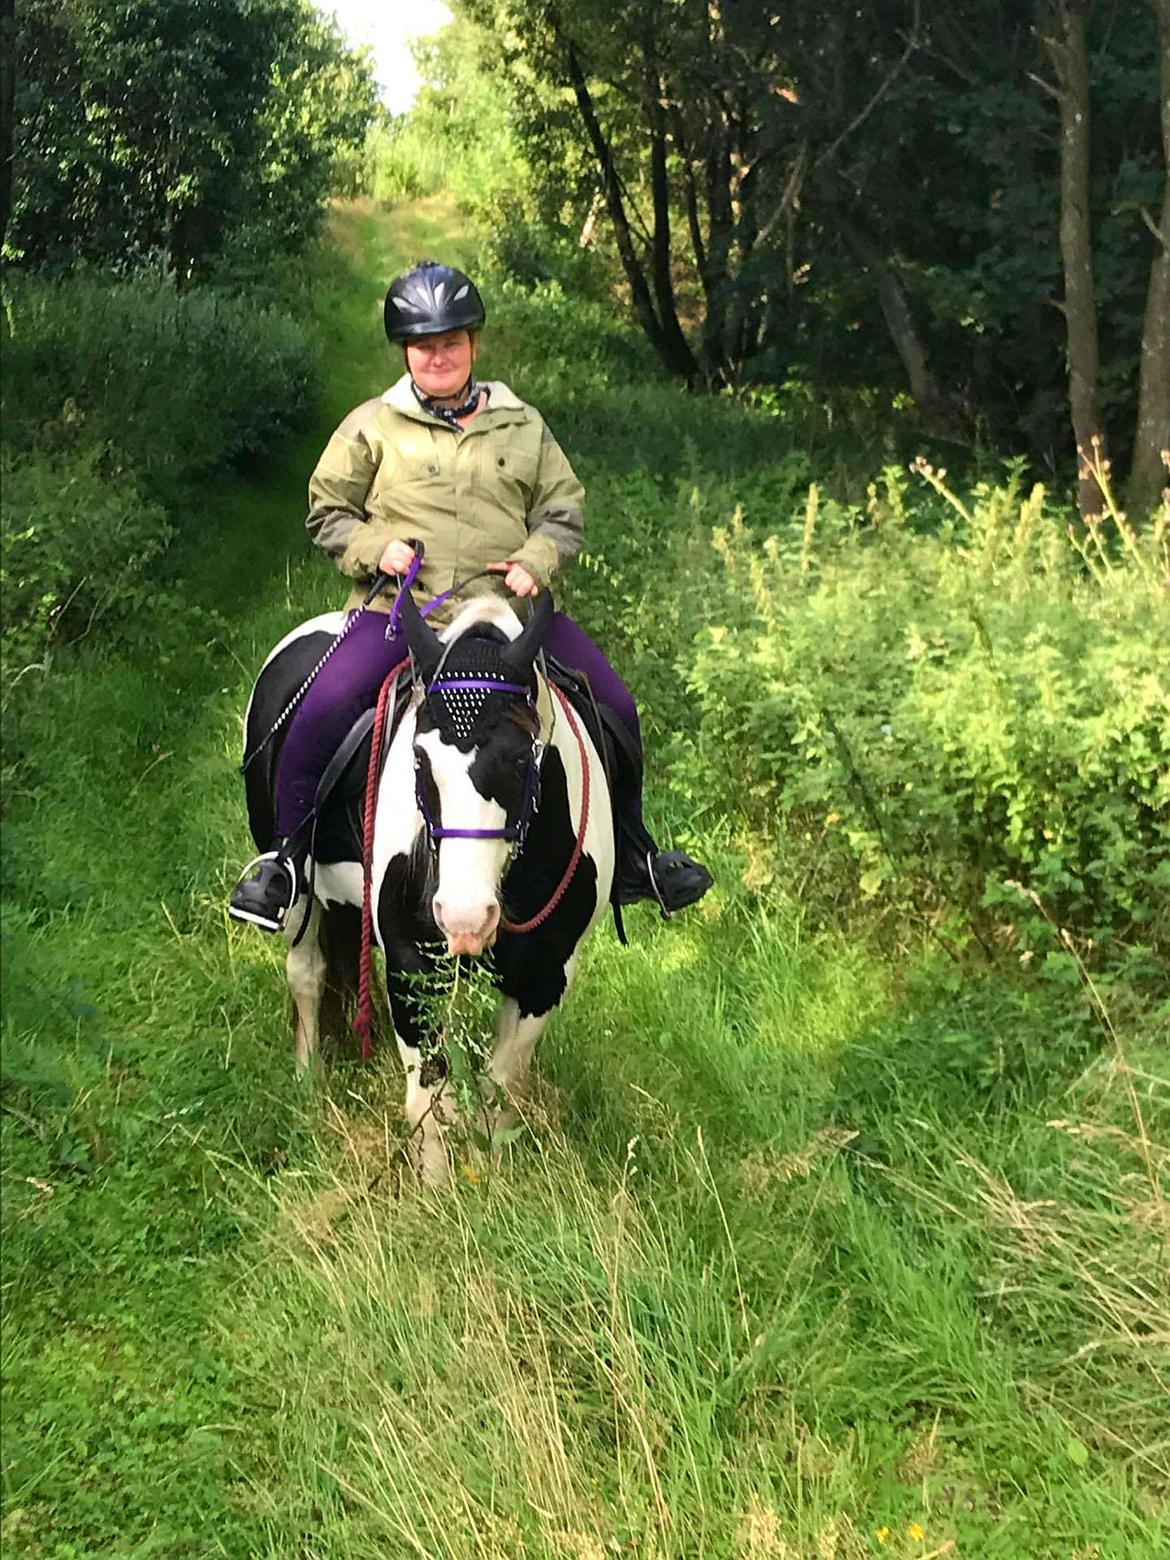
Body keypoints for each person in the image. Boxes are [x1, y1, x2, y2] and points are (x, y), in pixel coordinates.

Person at [229, 259, 712, 932]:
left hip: (507, 621)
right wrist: (377, 550)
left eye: (451, 342)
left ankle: (635, 856)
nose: (438, 356)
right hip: (404, 617)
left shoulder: (522, 425)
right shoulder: (373, 424)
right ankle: (284, 862)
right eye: (425, 345)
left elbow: (563, 510)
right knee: (322, 707)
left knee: (615, 705)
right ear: (406, 351)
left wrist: (536, 561)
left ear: (473, 345)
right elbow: (327, 511)